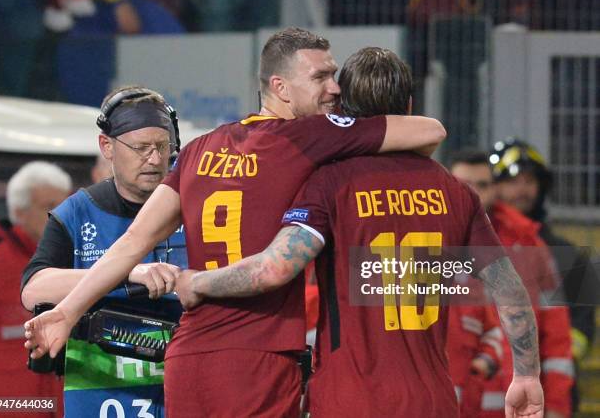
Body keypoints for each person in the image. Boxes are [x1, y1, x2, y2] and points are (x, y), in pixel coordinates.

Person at [23, 27, 446, 417]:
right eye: (321, 77)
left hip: (188, 359)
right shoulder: (311, 136)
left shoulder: (200, 149)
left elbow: (133, 241)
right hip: (257, 359)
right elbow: (430, 131)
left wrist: (66, 312)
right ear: (279, 87)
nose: (335, 89)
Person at [174, 47, 544, 417]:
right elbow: (510, 289)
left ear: (343, 112)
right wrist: (527, 376)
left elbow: (274, 268)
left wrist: (198, 282)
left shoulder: (328, 184)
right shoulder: (456, 192)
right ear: (410, 106)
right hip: (433, 401)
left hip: (348, 399)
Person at [20, 86, 188, 418]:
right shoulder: (78, 212)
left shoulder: (195, 206)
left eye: (162, 147)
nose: (155, 159)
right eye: (141, 148)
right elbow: (32, 289)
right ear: (106, 147)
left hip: (184, 385)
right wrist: (125, 272)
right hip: (99, 393)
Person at [450, 149, 573, 418]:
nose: (472, 193)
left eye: (482, 185)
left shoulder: (529, 244)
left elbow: (557, 333)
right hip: (451, 402)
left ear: (496, 189)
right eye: (462, 185)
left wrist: (556, 407)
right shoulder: (426, 244)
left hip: (518, 403)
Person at [490, 138, 598, 414]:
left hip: (553, 388)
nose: (522, 190)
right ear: (496, 188)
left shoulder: (566, 253)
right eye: (512, 182)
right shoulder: (483, 248)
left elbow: (583, 324)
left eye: (529, 182)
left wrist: (553, 358)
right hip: (491, 385)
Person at [0, 161, 70, 418]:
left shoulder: (77, 260)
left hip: (64, 398)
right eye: (48, 206)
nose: (58, 214)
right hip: (6, 403)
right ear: (19, 211)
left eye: (63, 205)